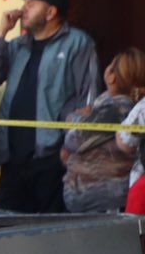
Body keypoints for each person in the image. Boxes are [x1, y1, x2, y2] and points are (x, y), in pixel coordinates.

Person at [0, 0, 100, 213]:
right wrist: (1, 32)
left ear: (51, 12)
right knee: (4, 233)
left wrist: (68, 150)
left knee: (49, 236)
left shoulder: (78, 44)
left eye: (31, 4)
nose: (23, 9)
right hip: (12, 161)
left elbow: (89, 101)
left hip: (52, 162)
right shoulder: (17, 45)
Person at [61, 48, 145, 214]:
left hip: (102, 201)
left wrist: (74, 117)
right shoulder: (133, 109)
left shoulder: (115, 110)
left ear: (112, 76)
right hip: (106, 198)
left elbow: (73, 138)